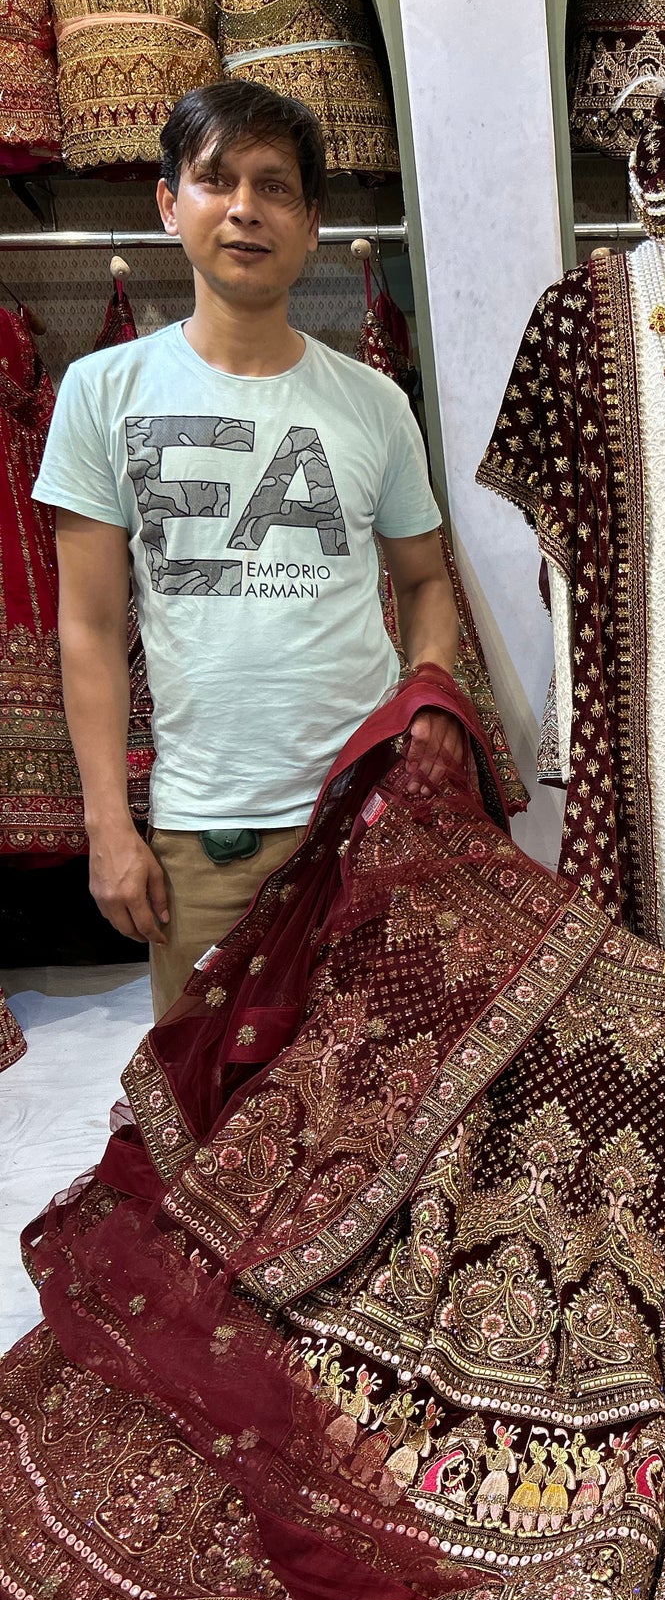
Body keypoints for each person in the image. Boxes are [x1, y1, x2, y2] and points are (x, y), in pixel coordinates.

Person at [34, 81, 466, 1017]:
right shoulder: (102, 393)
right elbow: (91, 628)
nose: (243, 208)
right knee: (210, 1119)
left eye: (274, 187)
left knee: (376, 1100)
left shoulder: (374, 404)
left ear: (311, 223)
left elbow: (427, 583)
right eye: (214, 179)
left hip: (366, 813)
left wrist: (429, 693)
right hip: (206, 833)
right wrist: (109, 824)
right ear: (168, 202)